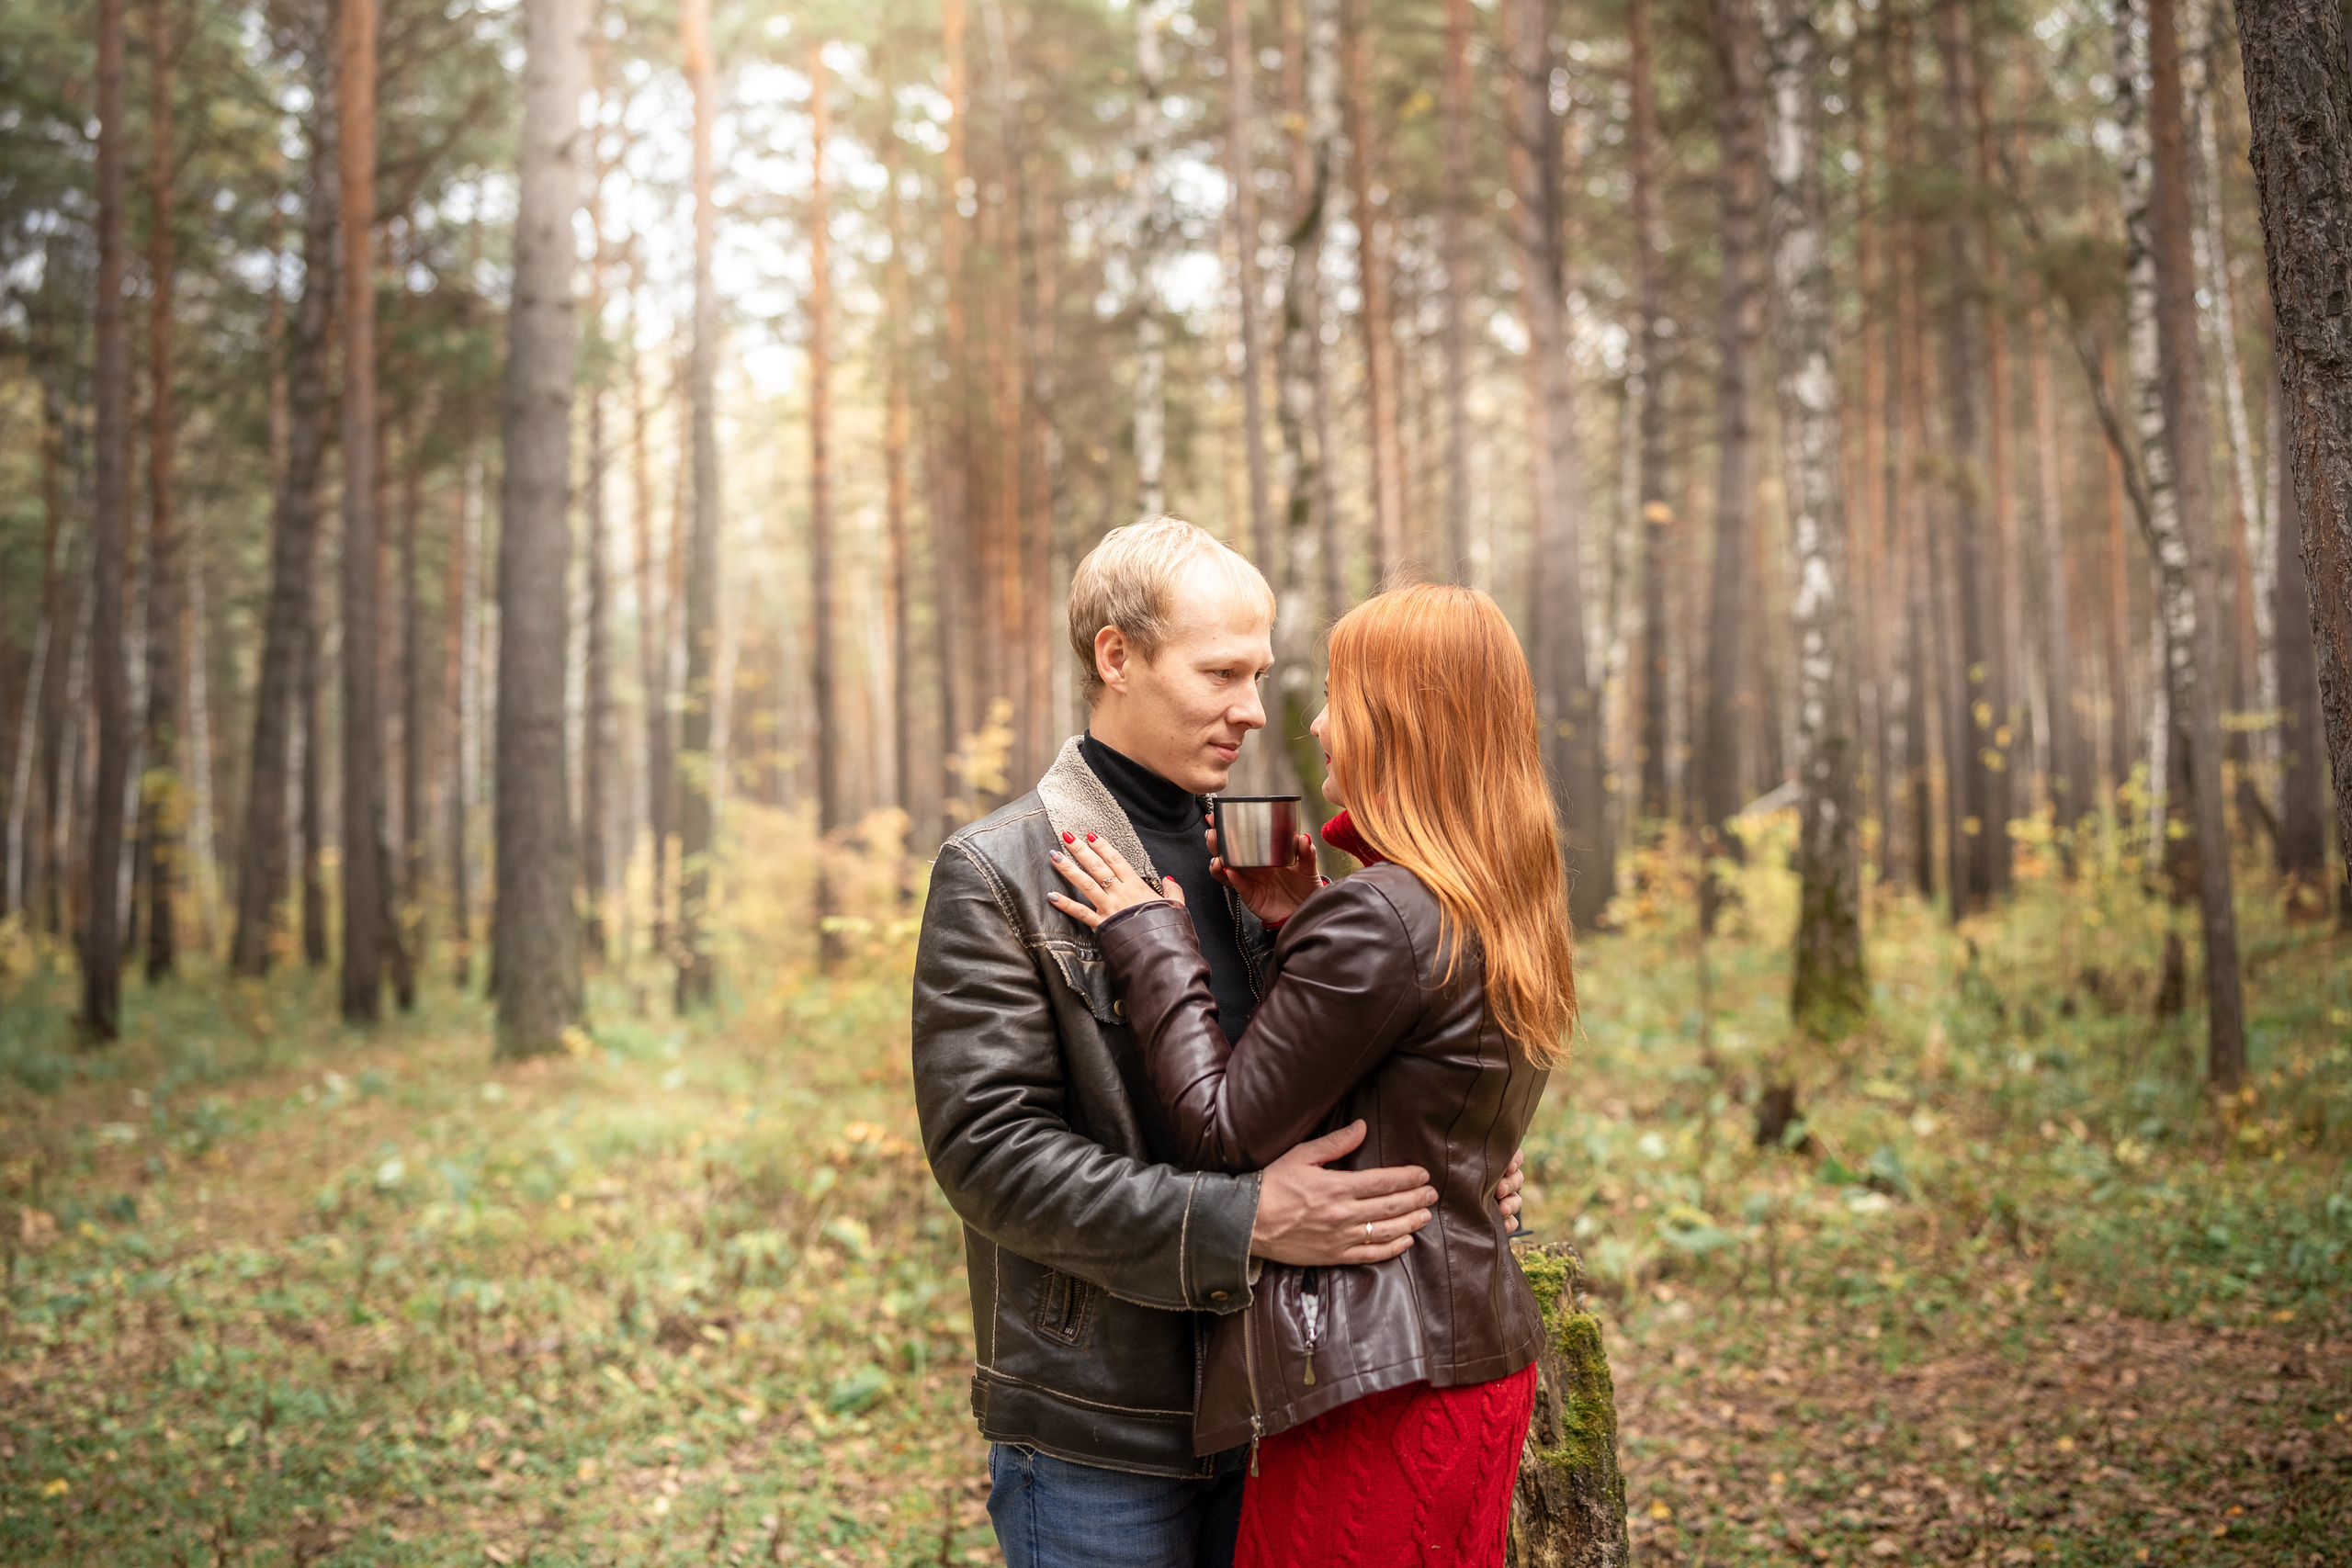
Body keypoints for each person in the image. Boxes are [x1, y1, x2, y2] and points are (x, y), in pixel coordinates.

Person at [911, 520, 1527, 1568]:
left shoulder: (1255, 851)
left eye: (1260, 674)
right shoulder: (1000, 870)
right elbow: (991, 1158)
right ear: (1118, 657)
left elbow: (1320, 1072)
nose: (1253, 710)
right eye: (1220, 673)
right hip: (1106, 1429)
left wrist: (1444, 1158)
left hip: (1291, 1402)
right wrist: (1244, 1222)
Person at [1046, 583, 1576, 1567]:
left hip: (1377, 1383)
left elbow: (1218, 1130)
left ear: (1407, 721)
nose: (1317, 724)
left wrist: (1150, 939)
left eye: (1341, 695)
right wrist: (1304, 922)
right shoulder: (1499, 894)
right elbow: (1427, 1078)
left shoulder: (1379, 915)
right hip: (1465, 1359)